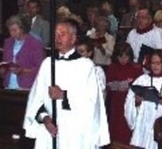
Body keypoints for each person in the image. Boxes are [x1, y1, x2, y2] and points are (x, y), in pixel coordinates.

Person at [23, 20, 110, 149]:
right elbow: (36, 99)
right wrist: (45, 119)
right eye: (56, 34)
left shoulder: (85, 66)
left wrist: (64, 96)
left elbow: (92, 102)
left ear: (73, 38)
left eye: (62, 34)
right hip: (49, 130)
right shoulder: (48, 64)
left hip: (74, 132)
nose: (58, 38)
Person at [124, 49, 162, 149]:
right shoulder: (142, 79)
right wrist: (136, 102)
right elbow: (129, 102)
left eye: (158, 63)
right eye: (152, 63)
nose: (154, 66)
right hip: (144, 127)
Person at [106, 43, 142, 144]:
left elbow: (141, 85)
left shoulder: (136, 68)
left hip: (130, 101)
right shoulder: (112, 67)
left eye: (126, 56)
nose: (123, 59)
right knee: (116, 125)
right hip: (116, 101)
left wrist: (129, 85)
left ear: (130, 56)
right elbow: (108, 83)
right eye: (120, 57)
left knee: (128, 125)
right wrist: (116, 85)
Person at [0, 15, 45, 90]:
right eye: (10, 30)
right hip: (8, 86)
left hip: (26, 87)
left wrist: (22, 70)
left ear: (22, 29)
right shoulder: (8, 42)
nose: (12, 33)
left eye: (15, 30)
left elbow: (40, 69)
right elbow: (5, 63)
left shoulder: (35, 43)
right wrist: (2, 71)